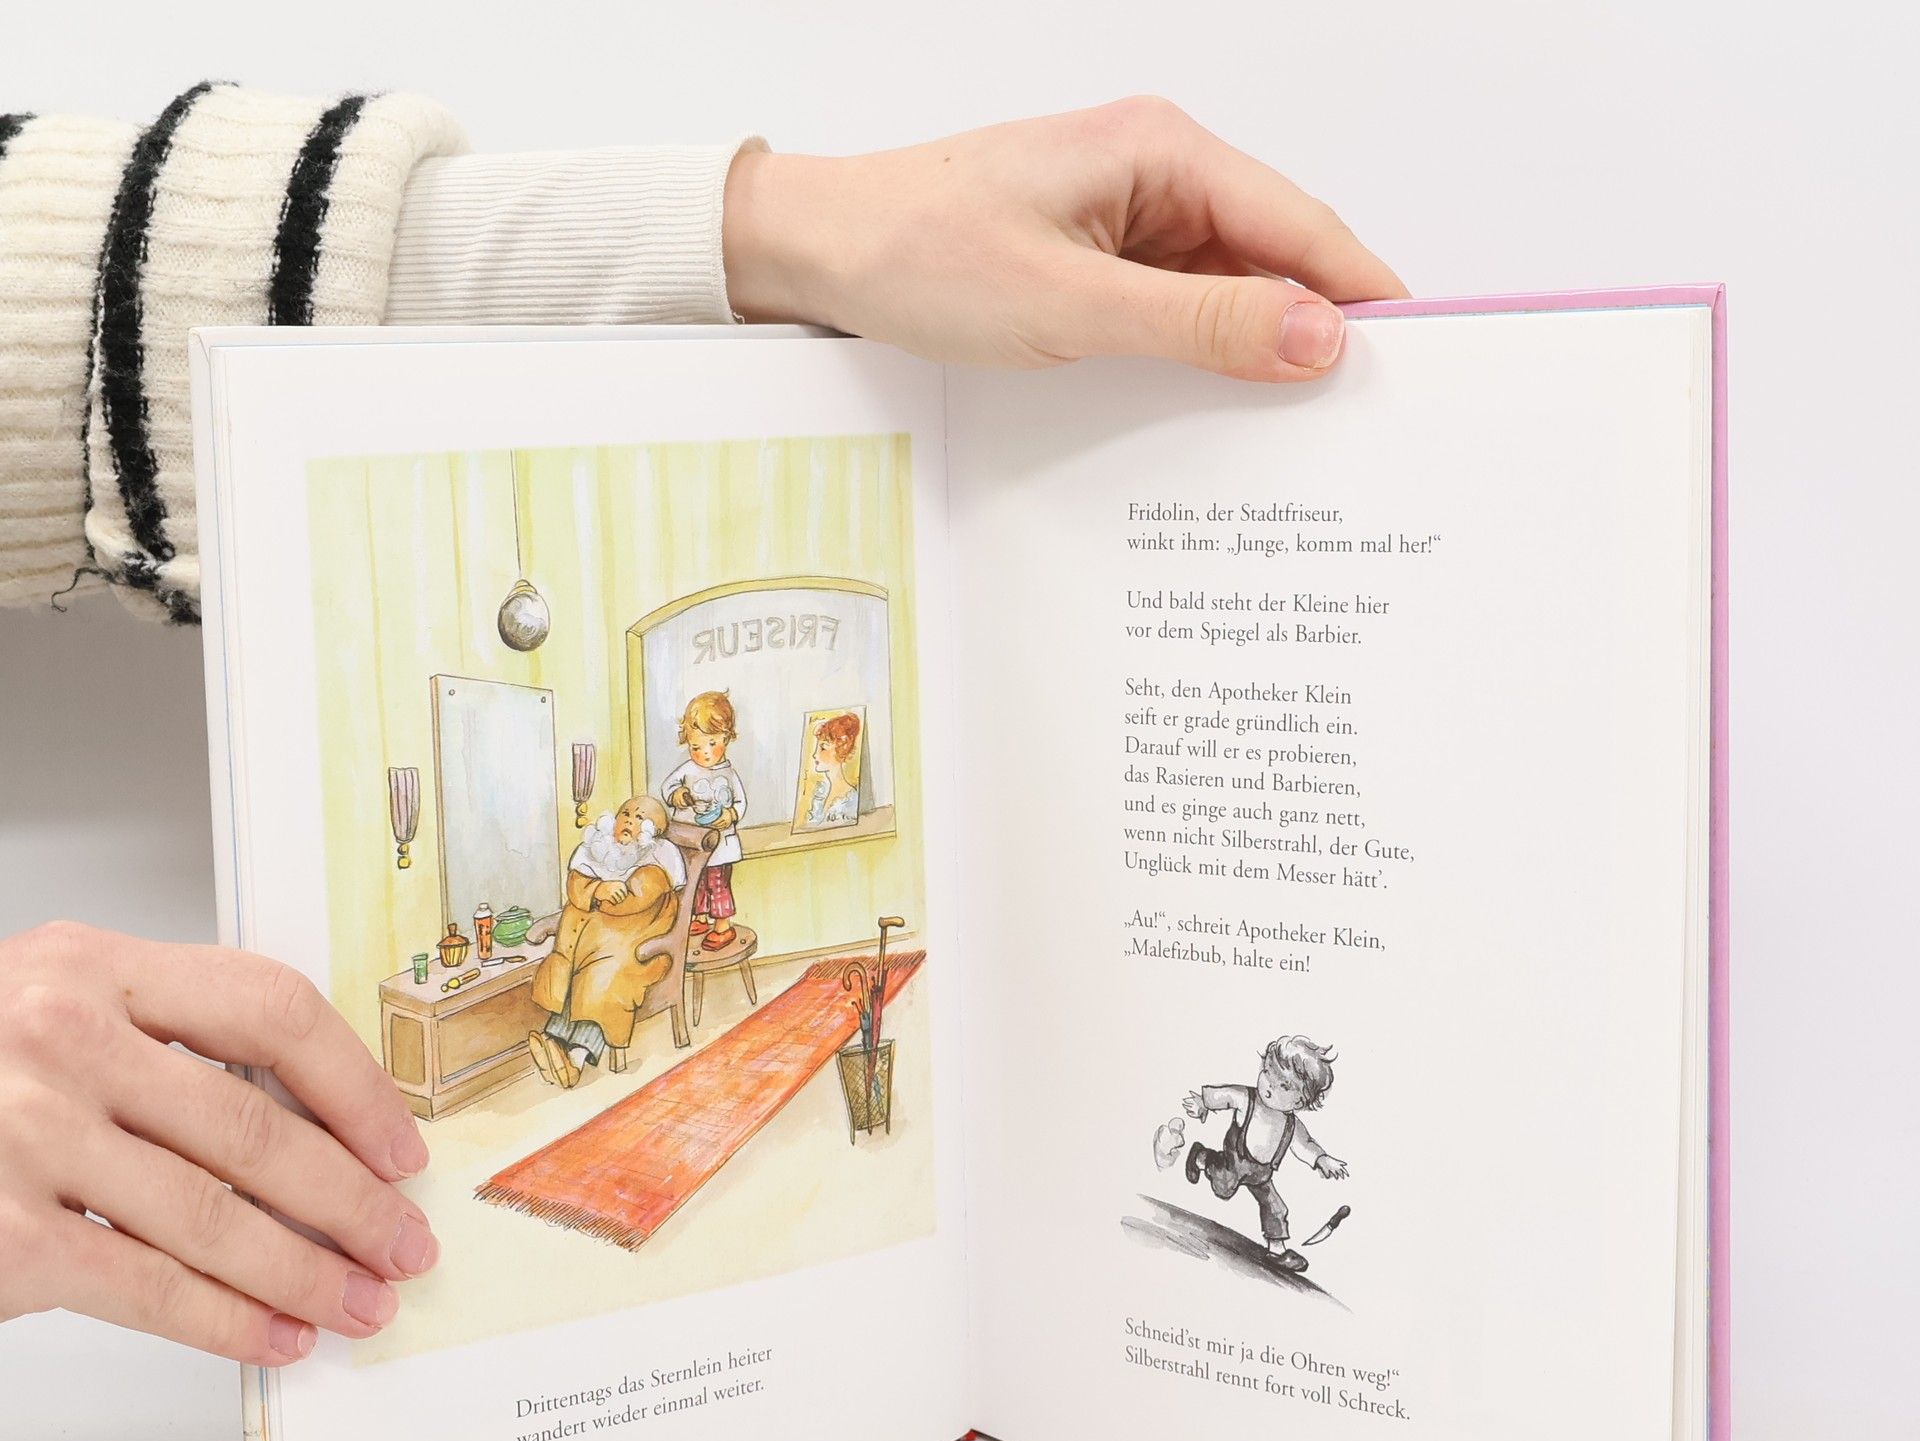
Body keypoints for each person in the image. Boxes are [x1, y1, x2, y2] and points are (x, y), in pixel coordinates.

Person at [0, 88, 1405, 1366]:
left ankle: (589, 1027)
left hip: (686, 881)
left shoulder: (698, 806)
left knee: (634, 941)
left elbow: (89, 301)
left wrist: (772, 227)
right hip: (648, 895)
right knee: (594, 953)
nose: (703, 755)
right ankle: (576, 1035)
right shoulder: (642, 822)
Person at [527, 797, 685, 1088]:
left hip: (634, 948)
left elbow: (631, 901)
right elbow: (576, 885)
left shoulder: (656, 861)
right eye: (625, 812)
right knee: (573, 975)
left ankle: (574, 1060)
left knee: (601, 983)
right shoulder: (599, 849)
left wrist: (603, 894)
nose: (629, 820)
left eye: (640, 817)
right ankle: (554, 1046)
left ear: (652, 831)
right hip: (591, 942)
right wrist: (596, 888)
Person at [1183, 1035, 1349, 1266]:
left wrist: (1321, 1159)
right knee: (1223, 1188)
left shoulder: (1292, 1125)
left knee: (1276, 1208)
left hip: (1262, 1175)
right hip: (1235, 1161)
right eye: (1268, 1072)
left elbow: (1305, 1144)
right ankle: (1202, 1157)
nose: (1270, 1086)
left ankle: (1277, 1251)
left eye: (1284, 1086)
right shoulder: (1247, 1098)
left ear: (1300, 1102)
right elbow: (1226, 1095)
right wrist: (1204, 1103)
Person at [662, 691, 748, 951]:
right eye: (696, 747)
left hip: (720, 846)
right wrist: (678, 795)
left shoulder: (729, 774)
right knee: (695, 882)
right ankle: (699, 918)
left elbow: (740, 803)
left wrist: (730, 815)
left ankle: (722, 926)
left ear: (726, 738)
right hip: (692, 845)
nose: (704, 753)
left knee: (717, 884)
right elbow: (667, 787)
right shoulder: (688, 770)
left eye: (711, 743)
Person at [803, 712, 862, 830]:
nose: (814, 755)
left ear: (842, 747)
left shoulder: (851, 800)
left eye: (823, 748)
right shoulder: (821, 793)